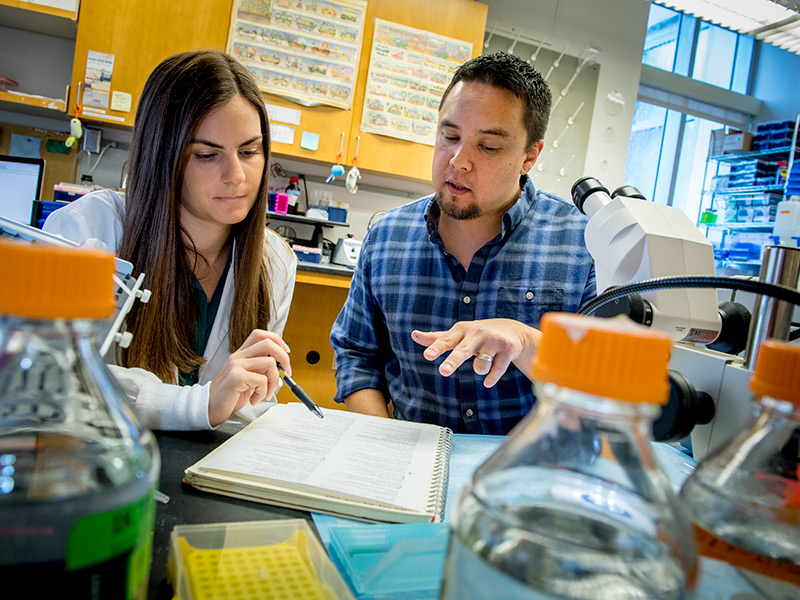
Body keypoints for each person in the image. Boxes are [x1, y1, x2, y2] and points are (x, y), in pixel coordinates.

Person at [330, 52, 595, 435]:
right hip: (409, 468)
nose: (459, 161)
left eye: (487, 147)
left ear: (529, 157)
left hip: (528, 476)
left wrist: (525, 341)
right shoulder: (386, 236)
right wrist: (381, 446)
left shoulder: (583, 245)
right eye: (450, 136)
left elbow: (601, 384)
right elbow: (357, 354)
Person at [44, 50, 297, 430]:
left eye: (249, 151)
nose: (237, 175)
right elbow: (54, 377)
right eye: (207, 155)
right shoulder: (90, 229)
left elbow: (249, 403)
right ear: (163, 154)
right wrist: (197, 403)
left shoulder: (273, 259)